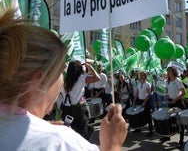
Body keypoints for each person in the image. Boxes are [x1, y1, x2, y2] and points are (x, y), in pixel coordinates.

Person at [0, 8, 127, 151]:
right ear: (41, 80)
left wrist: (39, 126)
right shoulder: (59, 142)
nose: (62, 78)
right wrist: (113, 144)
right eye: (61, 71)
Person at [61, 60, 100, 139]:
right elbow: (97, 78)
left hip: (66, 110)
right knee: (82, 134)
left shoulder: (64, 81)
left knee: (68, 133)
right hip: (78, 110)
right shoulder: (81, 78)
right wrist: (90, 67)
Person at [160, 66, 186, 149]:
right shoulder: (168, 81)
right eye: (167, 71)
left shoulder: (178, 81)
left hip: (178, 102)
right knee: (169, 120)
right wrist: (167, 96)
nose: (168, 73)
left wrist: (176, 99)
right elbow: (167, 90)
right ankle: (167, 136)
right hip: (171, 102)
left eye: (169, 71)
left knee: (179, 122)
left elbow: (183, 92)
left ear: (173, 72)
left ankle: (181, 142)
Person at [132, 71, 153, 137]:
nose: (141, 76)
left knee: (148, 116)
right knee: (138, 115)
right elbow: (137, 93)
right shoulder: (139, 83)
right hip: (139, 100)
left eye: (142, 75)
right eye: (140, 75)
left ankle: (151, 131)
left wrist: (144, 102)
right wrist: (134, 102)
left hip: (146, 101)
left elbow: (149, 94)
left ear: (145, 76)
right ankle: (138, 129)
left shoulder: (148, 84)